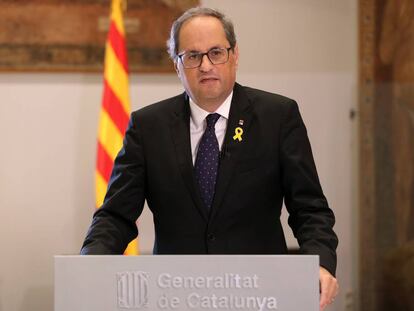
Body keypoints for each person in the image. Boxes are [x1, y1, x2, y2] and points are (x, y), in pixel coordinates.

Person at [81, 7, 339, 310]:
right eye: (192, 56)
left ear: (235, 55)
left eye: (216, 52)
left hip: (261, 294)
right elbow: (115, 216)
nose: (205, 65)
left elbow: (310, 209)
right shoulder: (148, 126)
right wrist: (89, 267)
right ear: (176, 65)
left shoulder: (277, 117)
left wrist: (320, 264)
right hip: (175, 295)